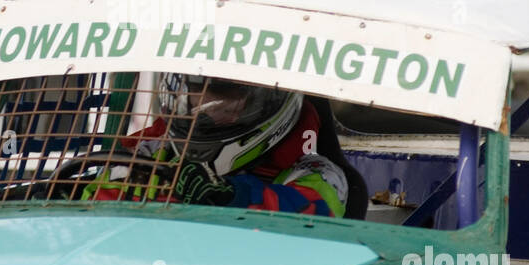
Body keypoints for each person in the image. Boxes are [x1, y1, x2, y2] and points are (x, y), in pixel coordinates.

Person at [87, 74, 348, 217]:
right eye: (193, 91)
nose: (200, 107)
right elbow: (98, 209)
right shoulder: (152, 153)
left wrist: (230, 196)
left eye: (223, 95)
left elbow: (313, 215)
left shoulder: (317, 173)